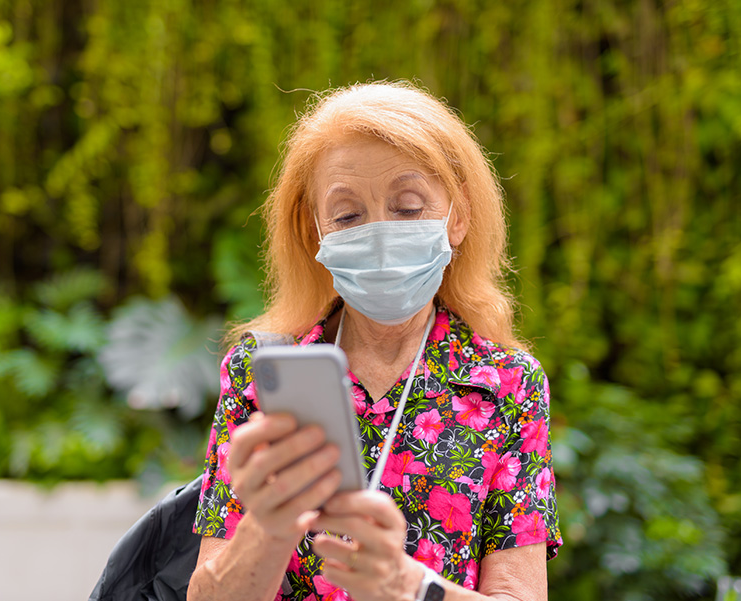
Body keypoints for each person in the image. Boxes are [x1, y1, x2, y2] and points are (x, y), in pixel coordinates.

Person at [188, 81, 562, 601]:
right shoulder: (264, 370)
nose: (381, 236)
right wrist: (269, 525)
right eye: (347, 216)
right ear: (314, 230)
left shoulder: (506, 385)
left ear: (459, 216)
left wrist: (406, 587)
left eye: (408, 207)